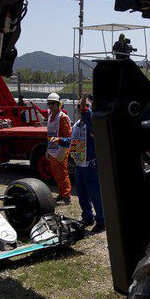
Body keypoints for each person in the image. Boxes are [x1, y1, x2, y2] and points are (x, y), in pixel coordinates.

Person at [71, 95, 104, 232]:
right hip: (80, 165)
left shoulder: (92, 125)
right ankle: (87, 216)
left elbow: (87, 116)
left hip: (90, 165)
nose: (82, 109)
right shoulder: (77, 125)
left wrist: (85, 105)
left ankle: (102, 220)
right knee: (82, 194)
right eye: (79, 107)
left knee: (95, 194)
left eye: (85, 106)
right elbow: (72, 142)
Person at [45, 92, 72, 205]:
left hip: (61, 149)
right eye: (49, 103)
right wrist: (48, 149)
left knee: (62, 173)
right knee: (56, 173)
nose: (51, 106)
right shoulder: (51, 117)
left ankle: (66, 197)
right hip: (52, 150)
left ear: (58, 104)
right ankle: (62, 193)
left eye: (53, 103)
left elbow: (68, 136)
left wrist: (59, 142)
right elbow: (49, 134)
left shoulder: (63, 118)